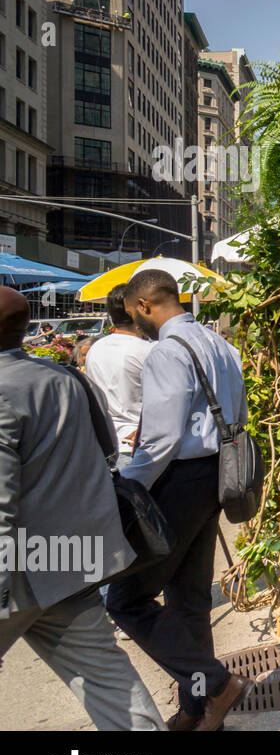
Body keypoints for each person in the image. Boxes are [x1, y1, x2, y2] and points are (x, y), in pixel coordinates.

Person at [0, 286, 164, 730]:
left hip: (17, 572)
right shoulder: (63, 378)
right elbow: (106, 447)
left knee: (108, 678)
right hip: (68, 560)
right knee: (110, 683)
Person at [106, 270, 251, 731]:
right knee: (188, 598)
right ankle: (198, 708)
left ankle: (216, 684)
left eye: (134, 314)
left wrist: (128, 486)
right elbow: (238, 412)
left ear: (145, 306)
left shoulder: (167, 351)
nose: (136, 323)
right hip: (217, 475)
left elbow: (163, 437)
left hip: (179, 479)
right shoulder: (220, 345)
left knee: (127, 599)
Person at [84, 284, 153, 458]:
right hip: (138, 444)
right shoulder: (148, 351)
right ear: (138, 310)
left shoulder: (95, 348)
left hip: (106, 442)